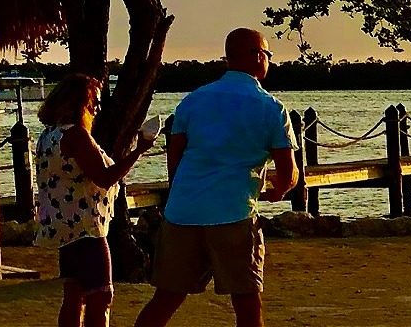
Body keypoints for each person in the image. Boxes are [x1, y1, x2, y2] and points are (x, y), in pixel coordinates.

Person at [135, 28, 299, 327]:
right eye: (267, 54)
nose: (269, 60)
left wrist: (182, 192)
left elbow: (176, 158)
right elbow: (287, 172)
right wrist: (280, 188)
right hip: (233, 212)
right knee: (247, 303)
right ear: (256, 56)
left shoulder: (193, 101)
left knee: (166, 299)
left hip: (183, 212)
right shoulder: (271, 108)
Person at [34, 74, 157, 327]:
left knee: (74, 295)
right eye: (94, 103)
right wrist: (139, 151)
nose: (98, 108)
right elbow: (104, 177)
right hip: (86, 227)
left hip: (63, 225)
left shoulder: (48, 136)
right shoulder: (76, 136)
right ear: (80, 104)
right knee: (101, 295)